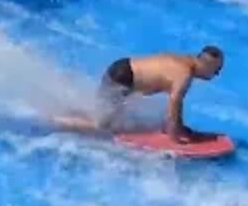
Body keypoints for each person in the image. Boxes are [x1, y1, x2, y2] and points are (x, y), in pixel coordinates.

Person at [57, 46, 225, 142]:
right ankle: (55, 121)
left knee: (110, 114)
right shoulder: (184, 74)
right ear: (207, 64)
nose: (216, 75)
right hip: (124, 78)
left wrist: (179, 127)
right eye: (217, 70)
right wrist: (175, 137)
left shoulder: (182, 59)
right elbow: (175, 103)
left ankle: (68, 112)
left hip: (123, 68)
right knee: (102, 126)